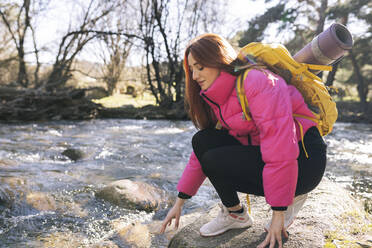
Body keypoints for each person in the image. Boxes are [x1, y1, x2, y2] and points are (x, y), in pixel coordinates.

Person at [159, 33, 327, 248]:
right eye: (192, 69)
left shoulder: (258, 81)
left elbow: (280, 147)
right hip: (275, 152)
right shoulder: (219, 97)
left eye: (200, 67)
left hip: (305, 160)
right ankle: (236, 215)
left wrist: (278, 214)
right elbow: (200, 154)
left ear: (218, 60)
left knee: (215, 159)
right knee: (202, 140)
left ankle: (294, 195)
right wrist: (180, 201)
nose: (194, 76)